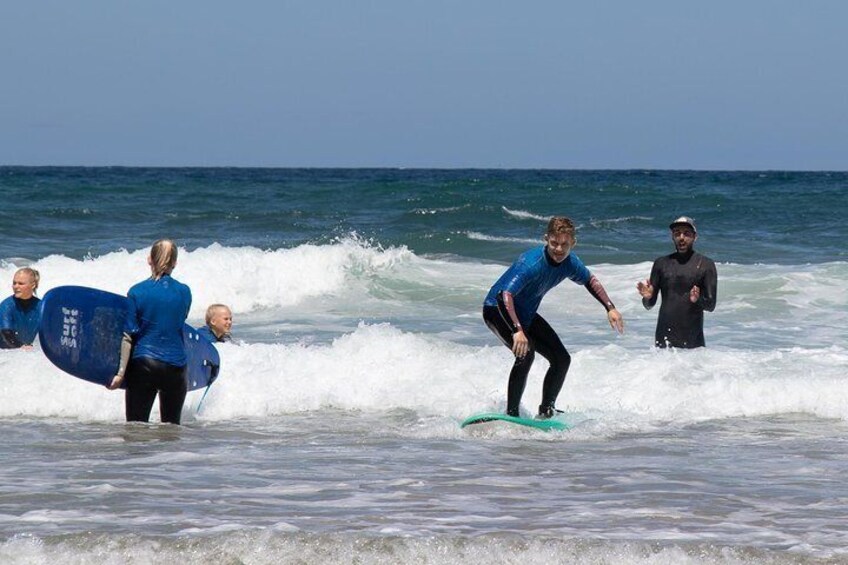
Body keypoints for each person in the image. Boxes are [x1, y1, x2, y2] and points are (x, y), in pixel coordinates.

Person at [483, 217, 624, 418]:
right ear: (546, 239)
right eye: (554, 243)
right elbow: (504, 295)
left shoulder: (570, 263)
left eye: (564, 245)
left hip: (526, 313)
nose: (558, 249)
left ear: (573, 244)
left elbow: (590, 280)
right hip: (497, 309)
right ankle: (512, 414)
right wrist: (517, 330)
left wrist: (610, 308)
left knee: (562, 359)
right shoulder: (531, 263)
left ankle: (546, 410)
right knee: (526, 353)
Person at [108, 240, 192, 425]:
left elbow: (128, 335)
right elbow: (178, 323)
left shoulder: (137, 292)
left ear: (149, 260)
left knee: (136, 429)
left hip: (145, 365)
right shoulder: (185, 292)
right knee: (171, 430)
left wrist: (120, 374)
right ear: (175, 263)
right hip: (177, 368)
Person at [636, 216, 717, 348]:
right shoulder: (661, 264)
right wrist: (648, 297)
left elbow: (711, 305)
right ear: (672, 236)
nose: (681, 237)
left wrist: (697, 299)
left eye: (686, 233)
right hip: (664, 340)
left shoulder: (706, 265)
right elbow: (649, 305)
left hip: (693, 342)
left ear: (695, 237)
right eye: (677, 233)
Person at [0, 267, 41, 349]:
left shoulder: (41, 306)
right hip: (5, 354)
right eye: (14, 283)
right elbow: (6, 333)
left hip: (27, 352)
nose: (16, 286)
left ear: (33, 285)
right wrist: (21, 347)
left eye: (21, 283)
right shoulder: (6, 305)